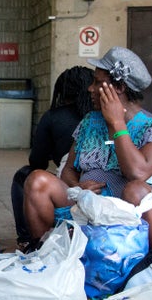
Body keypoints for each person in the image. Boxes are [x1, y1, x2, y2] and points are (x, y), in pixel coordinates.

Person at [24, 46, 152, 249]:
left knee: (137, 190)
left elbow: (137, 172)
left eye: (97, 83)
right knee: (37, 180)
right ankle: (42, 252)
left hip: (124, 210)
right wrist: (77, 187)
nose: (90, 89)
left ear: (119, 88)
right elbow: (69, 170)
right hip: (84, 205)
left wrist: (117, 123)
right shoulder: (89, 121)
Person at [11, 66, 93, 248]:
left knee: (25, 176)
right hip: (91, 188)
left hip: (81, 190)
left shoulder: (54, 117)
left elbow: (37, 161)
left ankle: (27, 239)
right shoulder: (98, 117)